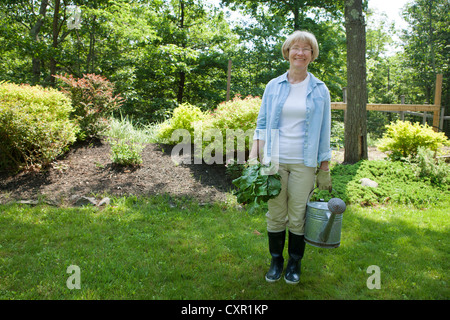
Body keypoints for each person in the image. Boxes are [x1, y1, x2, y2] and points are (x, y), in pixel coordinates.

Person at [248, 30, 332, 285]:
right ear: (287, 52)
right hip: (274, 159)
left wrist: (324, 167)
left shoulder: (320, 89)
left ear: (312, 55)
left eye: (306, 49)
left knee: (297, 216)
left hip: (304, 162)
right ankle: (276, 260)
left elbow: (325, 130)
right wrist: (254, 156)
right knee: (275, 214)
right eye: (296, 47)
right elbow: (261, 123)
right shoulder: (274, 86)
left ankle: (294, 262)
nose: (300, 52)